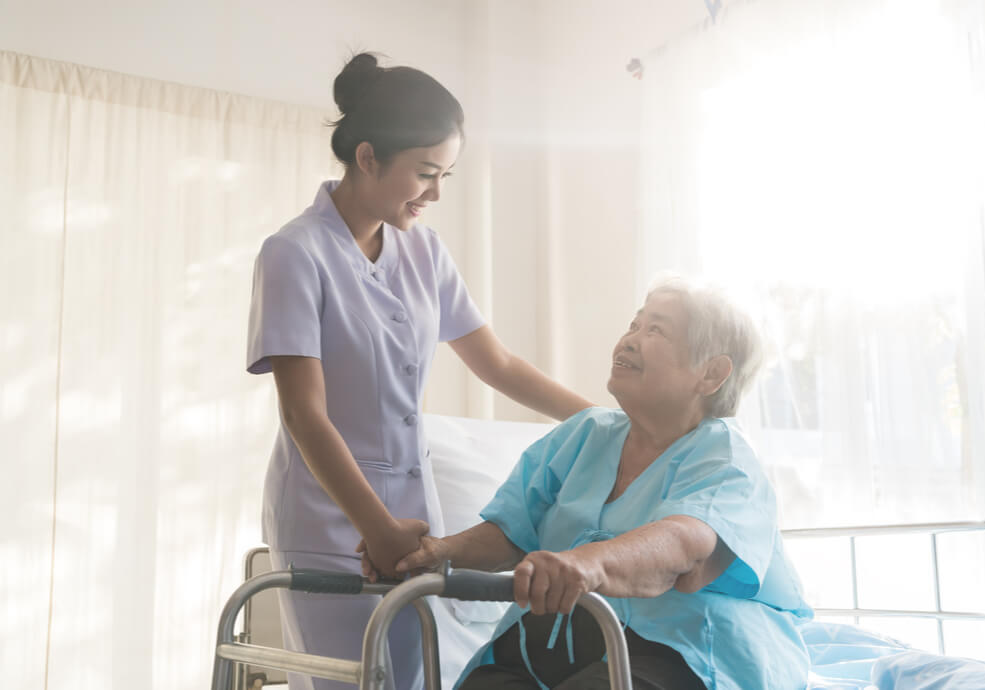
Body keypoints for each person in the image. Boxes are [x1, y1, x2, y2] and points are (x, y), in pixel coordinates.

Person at [245, 53, 592, 690]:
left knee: (413, 676)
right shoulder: (293, 254)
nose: (435, 194)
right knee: (348, 681)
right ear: (370, 157)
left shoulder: (423, 250)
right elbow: (303, 414)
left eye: (446, 175)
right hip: (330, 513)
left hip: (413, 513)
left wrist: (603, 422)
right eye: (425, 173)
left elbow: (497, 363)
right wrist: (374, 529)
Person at [388, 275, 813, 690]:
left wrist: (589, 562)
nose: (629, 339)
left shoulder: (725, 458)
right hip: (550, 644)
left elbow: (686, 544)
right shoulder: (583, 435)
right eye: (634, 324)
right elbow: (511, 532)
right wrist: (438, 552)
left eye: (656, 330)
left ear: (711, 374)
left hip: (686, 650)